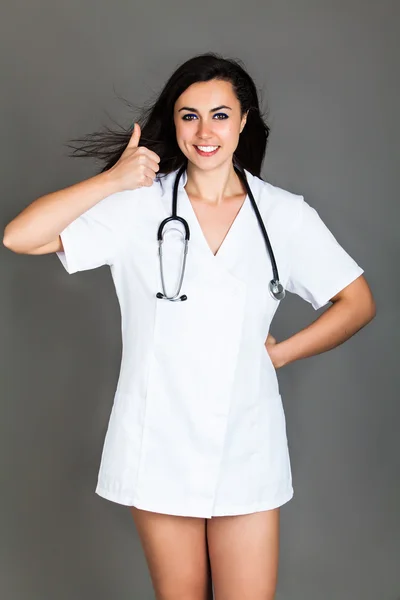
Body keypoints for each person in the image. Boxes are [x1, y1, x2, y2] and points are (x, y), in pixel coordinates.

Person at [3, 52, 376, 600]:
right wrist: (112, 180)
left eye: (221, 115)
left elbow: (356, 302)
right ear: (173, 123)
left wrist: (283, 353)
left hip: (246, 440)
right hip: (159, 440)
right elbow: (20, 236)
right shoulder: (136, 205)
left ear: (244, 121)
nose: (205, 132)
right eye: (189, 115)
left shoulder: (283, 215)